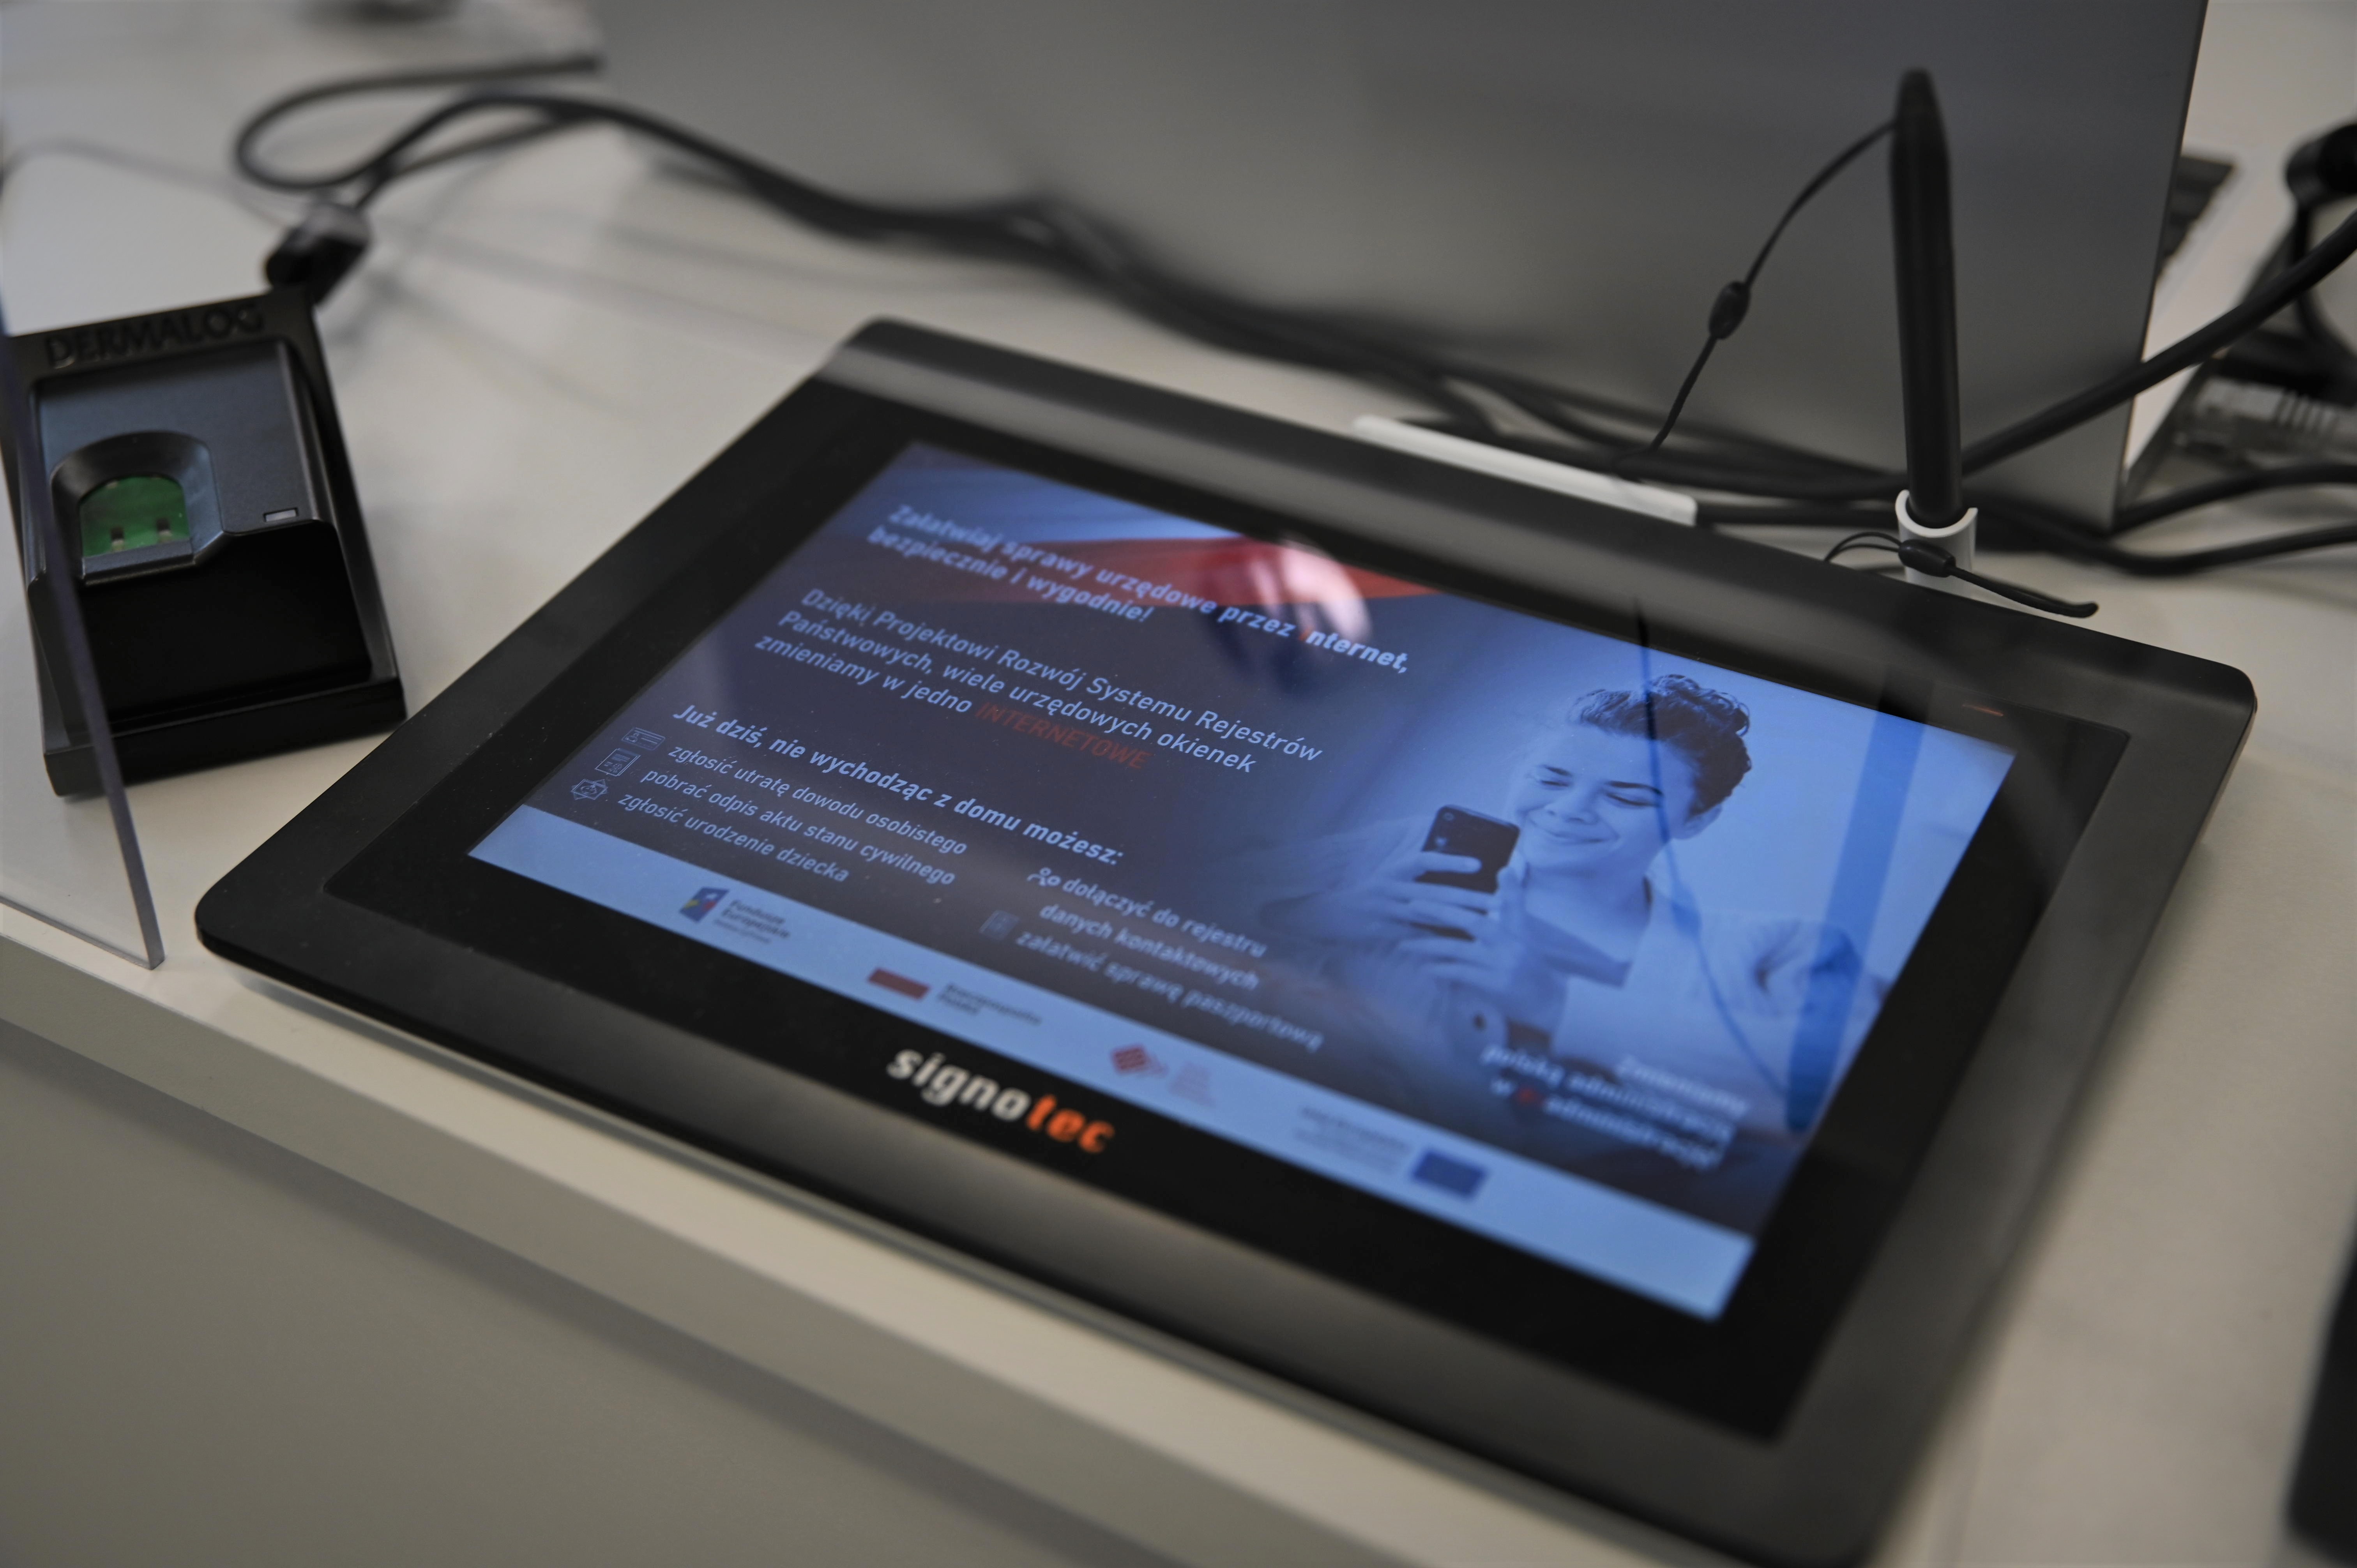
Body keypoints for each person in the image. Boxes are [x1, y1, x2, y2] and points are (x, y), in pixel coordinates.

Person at [1251, 674, 1880, 1222]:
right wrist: (1317, 915)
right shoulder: (1403, 854)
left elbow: (1848, 1095)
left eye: (1626, 797)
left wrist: (1556, 1006)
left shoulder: (1774, 950)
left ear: (1696, 819)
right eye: (1550, 778)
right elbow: (1198, 884)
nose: (1567, 810)